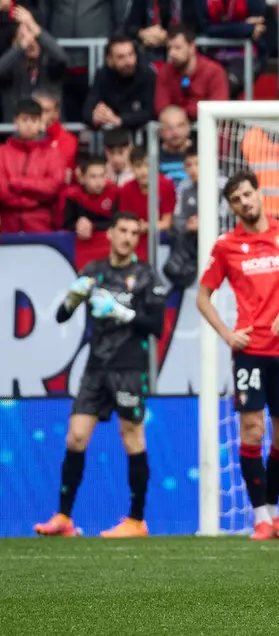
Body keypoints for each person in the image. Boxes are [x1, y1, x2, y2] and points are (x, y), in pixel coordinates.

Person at [196, 171, 279, 541]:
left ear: (260, 194)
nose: (245, 203)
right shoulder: (225, 246)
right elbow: (202, 296)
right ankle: (261, 518)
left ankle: (273, 512)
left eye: (248, 194)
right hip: (250, 351)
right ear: (232, 206)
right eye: (236, 199)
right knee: (252, 430)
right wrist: (227, 334)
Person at [33, 212, 166, 539]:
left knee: (132, 437)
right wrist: (73, 297)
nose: (129, 237)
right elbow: (63, 316)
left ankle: (136, 520)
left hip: (129, 368)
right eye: (123, 230)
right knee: (76, 437)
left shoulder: (147, 276)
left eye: (135, 233)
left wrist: (123, 312)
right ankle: (63, 518)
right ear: (109, 234)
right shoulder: (94, 272)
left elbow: (156, 327)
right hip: (96, 368)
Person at [39, 0, 127, 120]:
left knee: (94, 118)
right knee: (60, 120)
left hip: (97, 64)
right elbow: (43, 21)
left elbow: (122, 22)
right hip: (59, 64)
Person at [196, 0, 268, 96]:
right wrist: (243, 28)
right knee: (195, 83)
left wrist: (222, 28)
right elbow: (205, 28)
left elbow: (258, 29)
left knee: (225, 85)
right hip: (211, 53)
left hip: (247, 54)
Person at [0, 97, 62, 233]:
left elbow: (53, 186)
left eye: (33, 120)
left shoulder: (52, 153)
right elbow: (2, 190)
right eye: (24, 120)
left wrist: (18, 182)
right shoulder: (2, 152)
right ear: (16, 121)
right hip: (7, 225)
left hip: (41, 224)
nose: (29, 125)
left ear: (41, 122)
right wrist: (33, 200)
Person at [0, 4, 66, 122]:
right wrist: (19, 48)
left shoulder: (50, 64)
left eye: (34, 37)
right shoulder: (11, 67)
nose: (30, 42)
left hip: (49, 133)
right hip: (16, 132)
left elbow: (62, 57)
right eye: (23, 37)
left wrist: (33, 26)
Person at [114, 148, 176, 263]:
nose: (144, 171)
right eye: (138, 166)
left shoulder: (166, 185)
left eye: (148, 166)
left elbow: (167, 222)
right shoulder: (126, 189)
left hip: (156, 237)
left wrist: (147, 227)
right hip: (133, 235)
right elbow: (123, 220)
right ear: (131, 168)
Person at [154, 26, 230, 120]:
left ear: (192, 47)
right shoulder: (165, 72)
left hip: (208, 127)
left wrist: (184, 112)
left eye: (177, 48)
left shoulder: (214, 71)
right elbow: (161, 108)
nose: (172, 53)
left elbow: (219, 107)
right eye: (169, 48)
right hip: (174, 129)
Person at [84, 35, 155, 134]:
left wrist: (119, 120)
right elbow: (88, 108)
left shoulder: (146, 74)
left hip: (140, 134)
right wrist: (96, 117)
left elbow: (149, 112)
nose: (128, 61)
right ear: (109, 60)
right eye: (121, 57)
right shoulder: (103, 75)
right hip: (111, 134)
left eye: (131, 54)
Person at [60, 154, 119, 269]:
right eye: (93, 176)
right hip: (83, 251)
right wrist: (78, 226)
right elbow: (67, 224)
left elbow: (117, 221)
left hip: (108, 249)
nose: (99, 181)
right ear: (82, 178)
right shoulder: (73, 196)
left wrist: (93, 226)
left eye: (102, 176)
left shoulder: (114, 194)